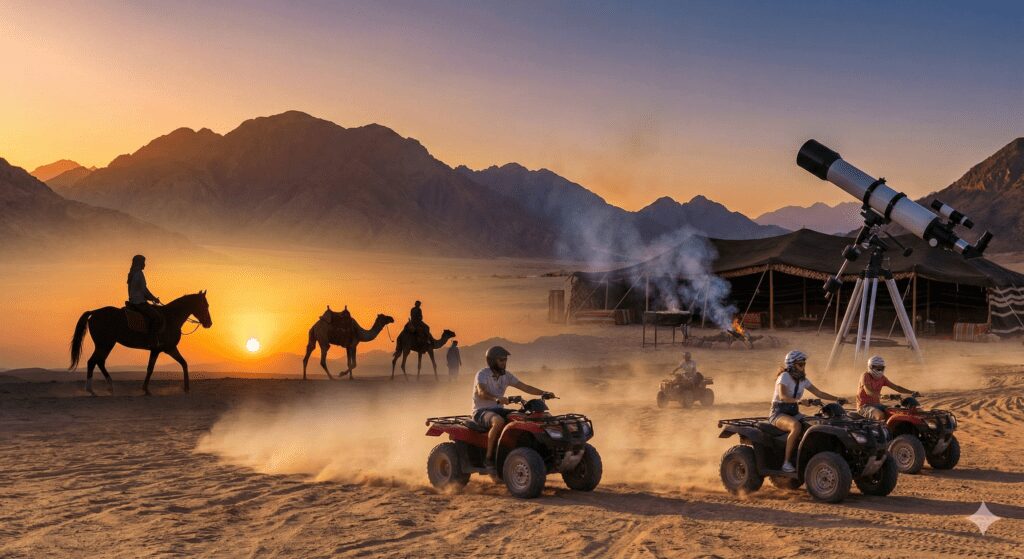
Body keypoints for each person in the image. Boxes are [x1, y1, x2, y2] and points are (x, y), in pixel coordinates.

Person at [472, 346, 554, 471]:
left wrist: (543, 393)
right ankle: (488, 458)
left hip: (499, 409)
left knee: (522, 418)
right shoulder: (482, 374)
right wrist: (496, 399)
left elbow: (525, 387)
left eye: (505, 360)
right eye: (501, 360)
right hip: (481, 411)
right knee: (498, 421)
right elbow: (481, 392)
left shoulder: (506, 376)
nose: (504, 363)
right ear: (492, 361)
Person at [769, 350, 846, 473]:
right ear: (791, 365)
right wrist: (799, 401)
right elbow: (783, 396)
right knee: (796, 426)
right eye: (800, 364)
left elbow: (819, 393)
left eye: (804, 364)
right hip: (778, 413)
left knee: (816, 424)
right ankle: (786, 462)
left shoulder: (803, 380)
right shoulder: (784, 377)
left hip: (794, 413)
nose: (803, 367)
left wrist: (837, 398)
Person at [857, 355, 916, 421]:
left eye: (881, 368)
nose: (880, 370)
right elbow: (868, 391)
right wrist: (881, 396)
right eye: (878, 368)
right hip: (864, 406)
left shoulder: (882, 378)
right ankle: (881, 431)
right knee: (880, 415)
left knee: (896, 412)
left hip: (877, 405)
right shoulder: (865, 375)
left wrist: (911, 392)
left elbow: (897, 388)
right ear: (871, 367)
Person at [127, 254, 163, 347]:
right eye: (143, 262)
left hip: (133, 301)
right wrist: (154, 298)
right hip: (139, 302)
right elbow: (144, 290)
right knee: (157, 317)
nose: (144, 264)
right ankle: (151, 341)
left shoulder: (131, 273)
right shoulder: (139, 273)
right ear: (139, 263)